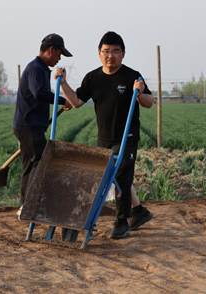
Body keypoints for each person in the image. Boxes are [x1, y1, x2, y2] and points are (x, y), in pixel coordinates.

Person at [56, 31, 154, 239]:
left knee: (120, 175)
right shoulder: (93, 78)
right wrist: (63, 83)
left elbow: (149, 102)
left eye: (116, 51)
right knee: (108, 177)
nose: (111, 56)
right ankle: (138, 212)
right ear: (99, 54)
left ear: (123, 54)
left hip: (127, 136)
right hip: (104, 137)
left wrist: (139, 92)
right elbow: (76, 102)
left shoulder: (132, 75)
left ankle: (121, 222)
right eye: (106, 51)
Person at [13, 33, 72, 207]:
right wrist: (62, 100)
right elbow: (39, 93)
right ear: (51, 50)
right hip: (28, 125)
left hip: (32, 125)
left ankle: (28, 204)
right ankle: (27, 205)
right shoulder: (36, 68)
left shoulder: (40, 69)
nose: (59, 58)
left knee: (33, 163)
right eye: (59, 53)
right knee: (35, 164)